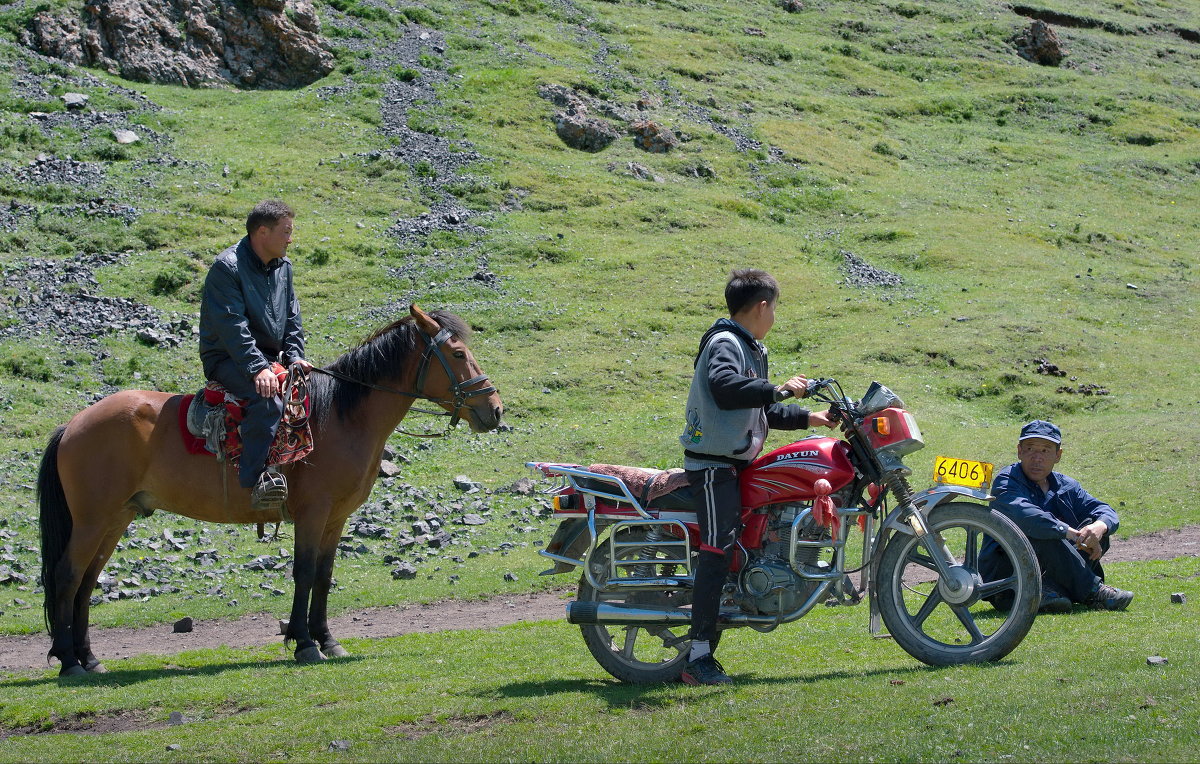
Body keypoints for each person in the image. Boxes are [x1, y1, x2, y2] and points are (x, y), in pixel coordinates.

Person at [678, 268, 835, 686]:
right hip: (712, 466)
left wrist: (810, 417)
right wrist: (780, 389)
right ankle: (697, 656)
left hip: (737, 463)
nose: (775, 318)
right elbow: (726, 388)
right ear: (763, 306)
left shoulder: (750, 347)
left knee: (748, 542)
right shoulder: (725, 342)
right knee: (718, 549)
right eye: (775, 308)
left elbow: (758, 407)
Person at [199, 200, 310, 511]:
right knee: (268, 400)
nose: (291, 238)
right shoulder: (227, 268)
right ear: (263, 232)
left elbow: (291, 317)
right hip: (227, 358)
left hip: (267, 356)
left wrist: (295, 357)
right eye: (286, 232)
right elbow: (231, 326)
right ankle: (254, 481)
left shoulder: (283, 268)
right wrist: (257, 368)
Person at [981, 420, 1134, 614]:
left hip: (1051, 570)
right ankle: (1092, 592)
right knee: (1046, 531)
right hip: (1008, 576)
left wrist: (1099, 526)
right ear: (1019, 451)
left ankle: (1054, 591)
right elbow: (1027, 516)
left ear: (1058, 455)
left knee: (1094, 529)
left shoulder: (1066, 485)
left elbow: (1104, 510)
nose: (1037, 458)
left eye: (1045, 450)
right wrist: (1068, 532)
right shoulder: (1006, 480)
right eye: (1030, 449)